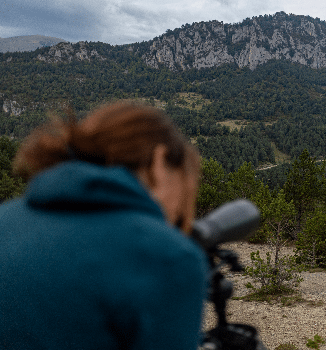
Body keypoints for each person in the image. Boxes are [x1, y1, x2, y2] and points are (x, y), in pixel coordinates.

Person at [0, 101, 208, 349]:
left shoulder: (5, 220)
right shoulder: (167, 257)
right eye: (184, 179)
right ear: (159, 162)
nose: (176, 214)